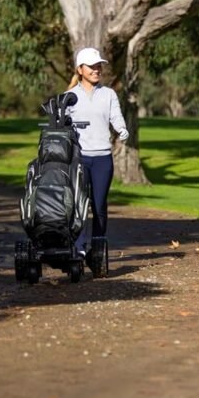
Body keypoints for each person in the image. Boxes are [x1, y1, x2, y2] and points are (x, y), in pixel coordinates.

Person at [65, 47, 129, 260]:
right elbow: (60, 125)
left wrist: (122, 129)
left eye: (98, 66)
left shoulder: (108, 94)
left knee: (99, 204)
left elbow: (116, 116)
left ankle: (98, 248)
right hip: (79, 158)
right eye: (91, 66)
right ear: (80, 69)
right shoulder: (69, 97)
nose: (96, 69)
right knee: (79, 203)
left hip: (102, 158)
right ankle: (79, 246)